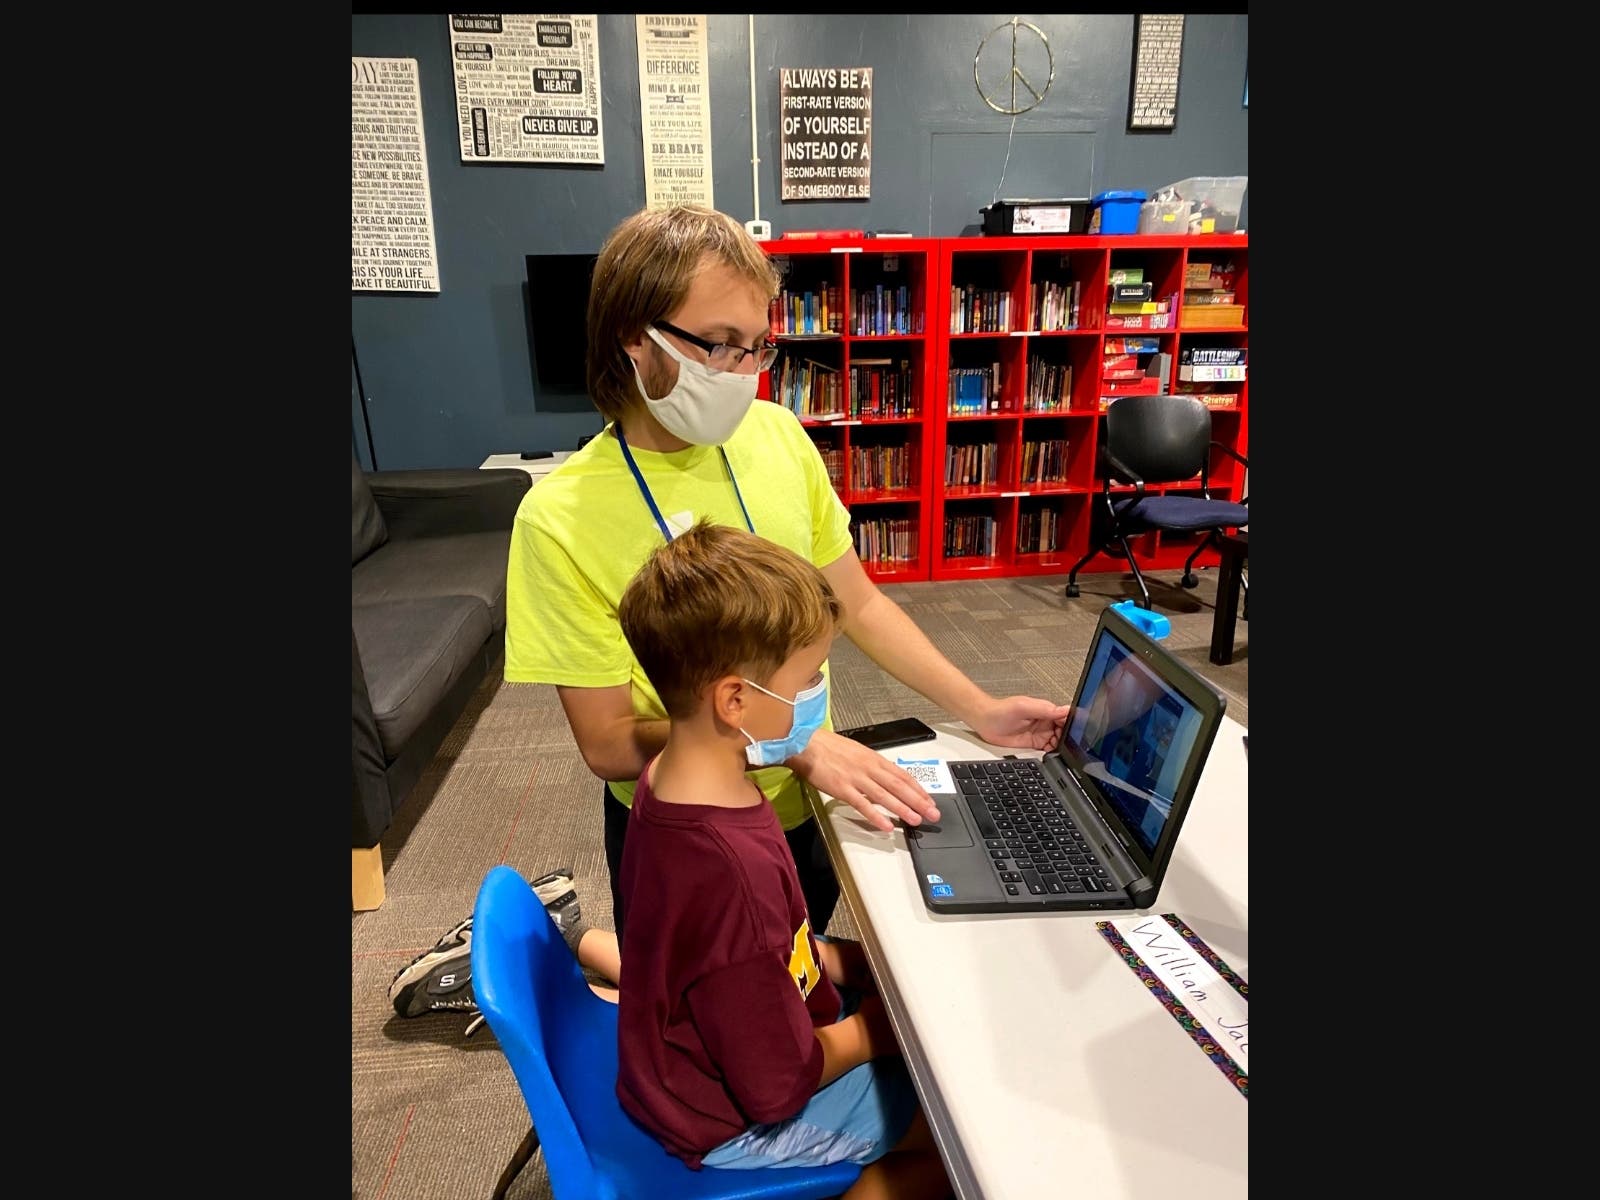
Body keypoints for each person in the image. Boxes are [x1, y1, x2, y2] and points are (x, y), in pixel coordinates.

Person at [503, 202, 1071, 964]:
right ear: (634, 339)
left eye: (756, 346)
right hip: (686, 823)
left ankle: (586, 949)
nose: (743, 372)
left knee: (790, 970)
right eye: (720, 345)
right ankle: (579, 952)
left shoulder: (775, 438)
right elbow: (607, 745)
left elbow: (858, 602)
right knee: (709, 1020)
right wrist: (793, 743)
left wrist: (982, 708)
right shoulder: (558, 517)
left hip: (810, 804)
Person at [612, 518, 949, 1194]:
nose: (818, 692)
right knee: (961, 1143)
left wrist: (859, 964)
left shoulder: (676, 784)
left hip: (697, 1052)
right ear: (736, 700)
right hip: (729, 1122)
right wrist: (879, 1030)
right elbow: (776, 1087)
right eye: (809, 677)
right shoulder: (729, 881)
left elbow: (776, 948)